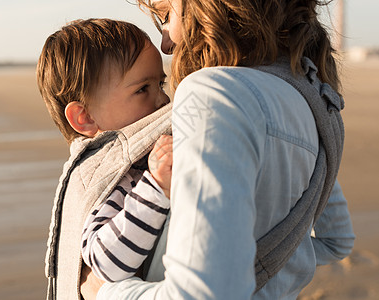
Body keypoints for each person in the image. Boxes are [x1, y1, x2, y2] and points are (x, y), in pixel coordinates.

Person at [80, 0, 355, 299]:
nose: (166, 42)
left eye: (166, 15)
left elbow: (201, 294)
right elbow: (335, 242)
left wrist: (105, 291)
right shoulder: (313, 100)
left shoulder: (211, 94)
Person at [36, 18, 173, 297]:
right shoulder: (108, 174)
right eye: (142, 89)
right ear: (84, 117)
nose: (163, 100)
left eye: (160, 83)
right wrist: (156, 189)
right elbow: (104, 263)